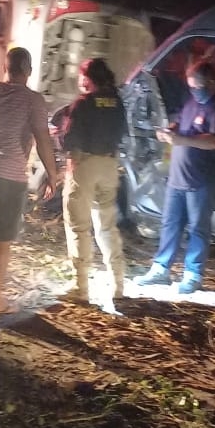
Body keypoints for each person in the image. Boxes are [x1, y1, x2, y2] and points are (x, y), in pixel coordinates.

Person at [0, 46, 58, 315]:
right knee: (1, 241)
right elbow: (42, 138)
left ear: (6, 68)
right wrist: (52, 174)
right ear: (29, 71)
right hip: (9, 175)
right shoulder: (33, 100)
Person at [136, 61, 215, 294]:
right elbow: (181, 122)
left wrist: (183, 140)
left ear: (211, 82)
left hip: (203, 181)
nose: (194, 91)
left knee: (198, 228)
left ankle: (193, 274)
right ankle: (161, 269)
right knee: (170, 224)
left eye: (198, 87)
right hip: (178, 177)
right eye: (191, 87)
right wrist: (170, 130)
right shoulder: (192, 100)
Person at [59, 58, 128, 303]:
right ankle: (118, 285)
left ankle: (81, 288)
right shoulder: (117, 102)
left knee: (79, 227)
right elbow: (122, 134)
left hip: (85, 167)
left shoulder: (83, 104)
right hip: (109, 166)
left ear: (87, 78)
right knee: (107, 226)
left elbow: (69, 140)